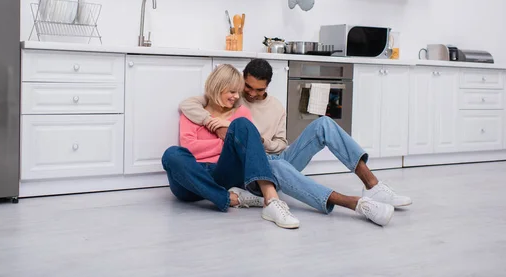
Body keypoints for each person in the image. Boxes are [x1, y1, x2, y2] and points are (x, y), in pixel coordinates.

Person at [179, 59, 412, 226]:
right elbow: (191, 104)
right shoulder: (232, 99)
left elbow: (281, 144)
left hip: (273, 154)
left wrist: (264, 143)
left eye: (257, 90)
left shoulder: (276, 107)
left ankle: (373, 186)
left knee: (324, 125)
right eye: (246, 87)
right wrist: (215, 124)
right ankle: (356, 204)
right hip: (252, 166)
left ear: (267, 87)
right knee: (276, 166)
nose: (249, 94)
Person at [162, 64, 301, 229]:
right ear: (218, 87)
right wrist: (226, 142)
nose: (237, 97)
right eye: (232, 92)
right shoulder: (194, 112)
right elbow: (189, 147)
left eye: (238, 92)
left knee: (243, 124)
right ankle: (229, 198)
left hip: (223, 172)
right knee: (171, 154)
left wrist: (231, 137)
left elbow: (247, 146)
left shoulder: (241, 114)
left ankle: (271, 201)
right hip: (192, 177)